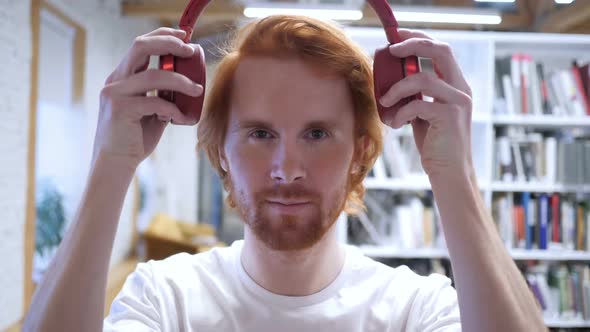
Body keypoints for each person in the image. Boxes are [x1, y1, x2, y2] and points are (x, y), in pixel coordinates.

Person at [24, 15, 546, 332]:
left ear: (361, 152)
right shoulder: (166, 301)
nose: (288, 169)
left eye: (317, 134)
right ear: (220, 151)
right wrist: (111, 164)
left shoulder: (416, 310)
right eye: (259, 134)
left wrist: (453, 174)